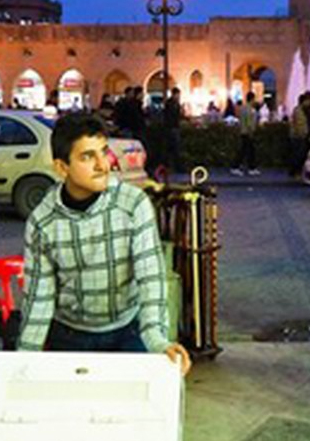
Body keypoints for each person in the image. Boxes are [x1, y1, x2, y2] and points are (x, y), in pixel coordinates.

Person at [17, 112, 191, 374]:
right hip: (69, 335)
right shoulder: (42, 223)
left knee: (134, 410)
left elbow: (151, 278)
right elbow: (39, 298)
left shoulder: (133, 204)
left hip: (127, 330)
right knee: (71, 412)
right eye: (87, 157)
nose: (103, 165)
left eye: (103, 152)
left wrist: (157, 340)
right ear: (61, 168)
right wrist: (24, 361)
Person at [232, 91, 260, 176]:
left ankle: (249, 167)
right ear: (252, 99)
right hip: (248, 132)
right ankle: (238, 167)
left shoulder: (243, 108)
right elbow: (249, 122)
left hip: (243, 131)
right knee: (247, 150)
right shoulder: (250, 109)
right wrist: (251, 131)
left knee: (246, 150)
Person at [162, 87, 183, 174]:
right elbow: (171, 117)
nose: (179, 96)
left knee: (172, 149)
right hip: (172, 128)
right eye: (178, 94)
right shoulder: (171, 104)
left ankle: (172, 166)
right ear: (174, 94)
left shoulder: (173, 103)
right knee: (174, 148)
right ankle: (174, 167)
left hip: (172, 128)